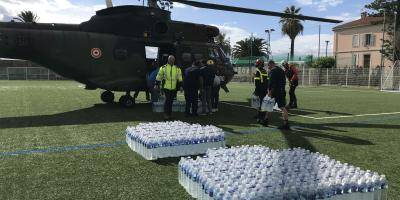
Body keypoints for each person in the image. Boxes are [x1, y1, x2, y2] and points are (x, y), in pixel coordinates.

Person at [155, 55, 183, 120]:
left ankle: (169, 114)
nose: (172, 61)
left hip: (174, 88)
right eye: (170, 59)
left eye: (173, 59)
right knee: (167, 101)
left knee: (171, 101)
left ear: (174, 60)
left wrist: (181, 86)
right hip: (165, 87)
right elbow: (159, 76)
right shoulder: (163, 68)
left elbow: (180, 78)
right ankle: (166, 115)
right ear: (168, 60)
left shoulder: (177, 68)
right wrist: (156, 84)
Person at [266, 60, 290, 130]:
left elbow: (272, 83)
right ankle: (266, 119)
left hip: (276, 91)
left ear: (271, 64)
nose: (268, 67)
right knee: (271, 105)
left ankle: (286, 124)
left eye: (268, 65)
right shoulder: (281, 70)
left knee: (281, 107)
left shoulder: (273, 71)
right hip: (281, 90)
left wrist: (270, 92)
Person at [253, 59, 269, 125]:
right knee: (261, 103)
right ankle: (260, 115)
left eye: (257, 63)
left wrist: (256, 91)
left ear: (259, 64)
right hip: (264, 89)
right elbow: (266, 80)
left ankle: (261, 117)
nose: (256, 64)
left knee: (260, 104)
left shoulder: (258, 71)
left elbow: (257, 82)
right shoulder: (264, 71)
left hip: (260, 90)